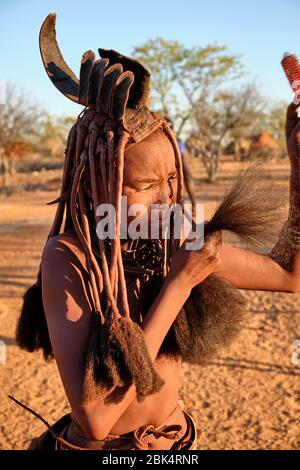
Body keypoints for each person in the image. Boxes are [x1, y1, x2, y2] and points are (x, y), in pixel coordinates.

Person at [12, 14, 300, 451]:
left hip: (174, 442)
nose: (168, 200)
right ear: (96, 183)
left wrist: (298, 166)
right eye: (146, 186)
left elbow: (290, 275)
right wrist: (181, 282)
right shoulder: (70, 259)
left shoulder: (173, 242)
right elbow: (95, 419)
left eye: (171, 181)